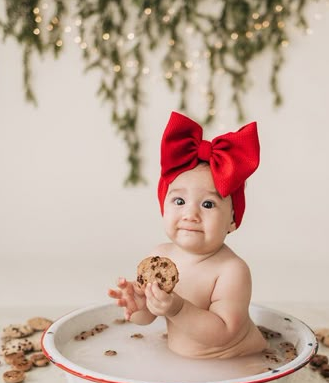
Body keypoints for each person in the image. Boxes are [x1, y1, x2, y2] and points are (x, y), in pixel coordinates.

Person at [108, 111, 267, 359]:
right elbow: (148, 317)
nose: (190, 214)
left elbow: (225, 332)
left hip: (236, 362)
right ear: (163, 208)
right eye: (179, 200)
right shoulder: (159, 256)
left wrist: (177, 308)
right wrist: (139, 305)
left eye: (208, 205)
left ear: (233, 220)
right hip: (186, 365)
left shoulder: (231, 270)